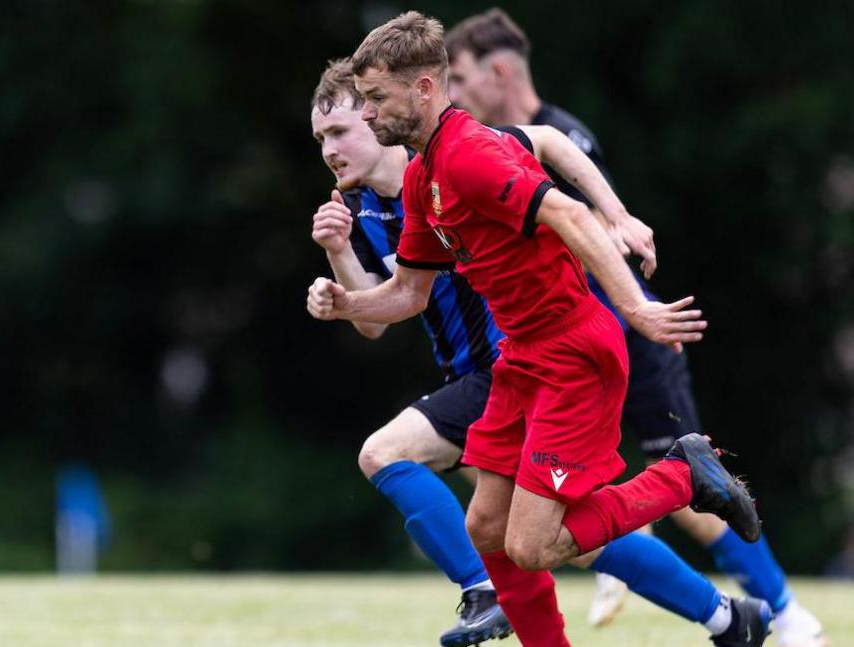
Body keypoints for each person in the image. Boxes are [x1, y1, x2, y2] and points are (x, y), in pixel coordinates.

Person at [307, 13, 768, 647]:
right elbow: (409, 294)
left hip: (573, 354)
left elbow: (568, 214)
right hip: (520, 361)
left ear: (423, 88)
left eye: (376, 100)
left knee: (531, 544)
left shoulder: (469, 154)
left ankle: (685, 478)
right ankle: (715, 617)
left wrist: (633, 308)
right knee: (487, 530)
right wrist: (343, 303)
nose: (368, 116)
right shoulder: (421, 176)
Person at [443, 9, 827, 646]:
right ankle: (731, 617)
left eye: (459, 77)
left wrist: (617, 233)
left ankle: (784, 613)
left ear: (500, 71)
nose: (454, 94)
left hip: (624, 339)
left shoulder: (552, 135)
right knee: (544, 516)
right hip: (570, 344)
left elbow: (583, 225)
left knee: (691, 504)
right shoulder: (492, 147)